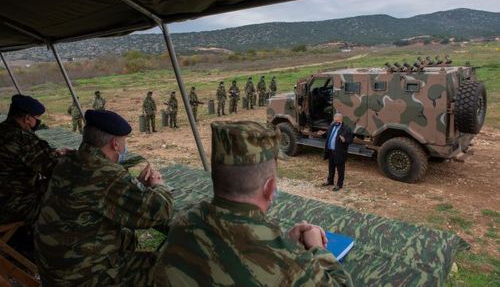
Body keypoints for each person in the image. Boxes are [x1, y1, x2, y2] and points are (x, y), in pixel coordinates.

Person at [155, 121, 353, 287]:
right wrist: (317, 248)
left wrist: (286, 241)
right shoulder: (289, 265)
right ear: (270, 187)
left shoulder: (185, 220)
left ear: (215, 176)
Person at [35, 110, 174, 287]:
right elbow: (161, 211)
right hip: (85, 277)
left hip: (57, 264)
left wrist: (134, 186)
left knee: (153, 237)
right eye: (125, 141)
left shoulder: (68, 160)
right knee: (168, 265)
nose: (125, 147)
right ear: (115, 144)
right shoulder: (106, 174)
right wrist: (158, 185)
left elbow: (99, 194)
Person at [0, 94, 65, 226]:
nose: (37, 122)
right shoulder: (23, 138)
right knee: (68, 190)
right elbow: (56, 170)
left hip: (5, 196)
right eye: (37, 118)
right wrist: (63, 156)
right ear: (27, 118)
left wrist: (51, 154)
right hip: (11, 205)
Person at [322, 113, 353, 191]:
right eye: (334, 119)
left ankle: (339, 185)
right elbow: (327, 135)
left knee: (340, 169)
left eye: (336, 119)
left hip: (339, 152)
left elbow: (350, 140)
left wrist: (344, 140)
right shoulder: (332, 126)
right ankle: (330, 181)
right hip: (330, 151)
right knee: (331, 168)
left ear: (341, 119)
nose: (334, 120)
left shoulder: (346, 128)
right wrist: (322, 134)